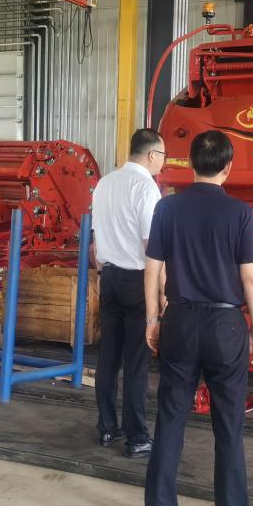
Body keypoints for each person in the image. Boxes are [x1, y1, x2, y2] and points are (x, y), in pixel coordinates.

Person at [141, 130, 253, 506]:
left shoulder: (168, 207)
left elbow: (153, 269)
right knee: (228, 426)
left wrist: (153, 318)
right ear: (228, 166)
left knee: (170, 419)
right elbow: (252, 278)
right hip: (225, 326)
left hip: (179, 320)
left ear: (191, 163)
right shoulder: (241, 213)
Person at [91, 129, 165, 457]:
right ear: (151, 155)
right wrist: (161, 291)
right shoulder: (146, 188)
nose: (163, 163)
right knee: (136, 362)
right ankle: (137, 438)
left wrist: (101, 274)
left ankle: (107, 427)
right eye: (163, 156)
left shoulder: (105, 183)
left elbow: (95, 242)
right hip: (138, 282)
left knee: (108, 357)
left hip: (109, 278)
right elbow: (153, 249)